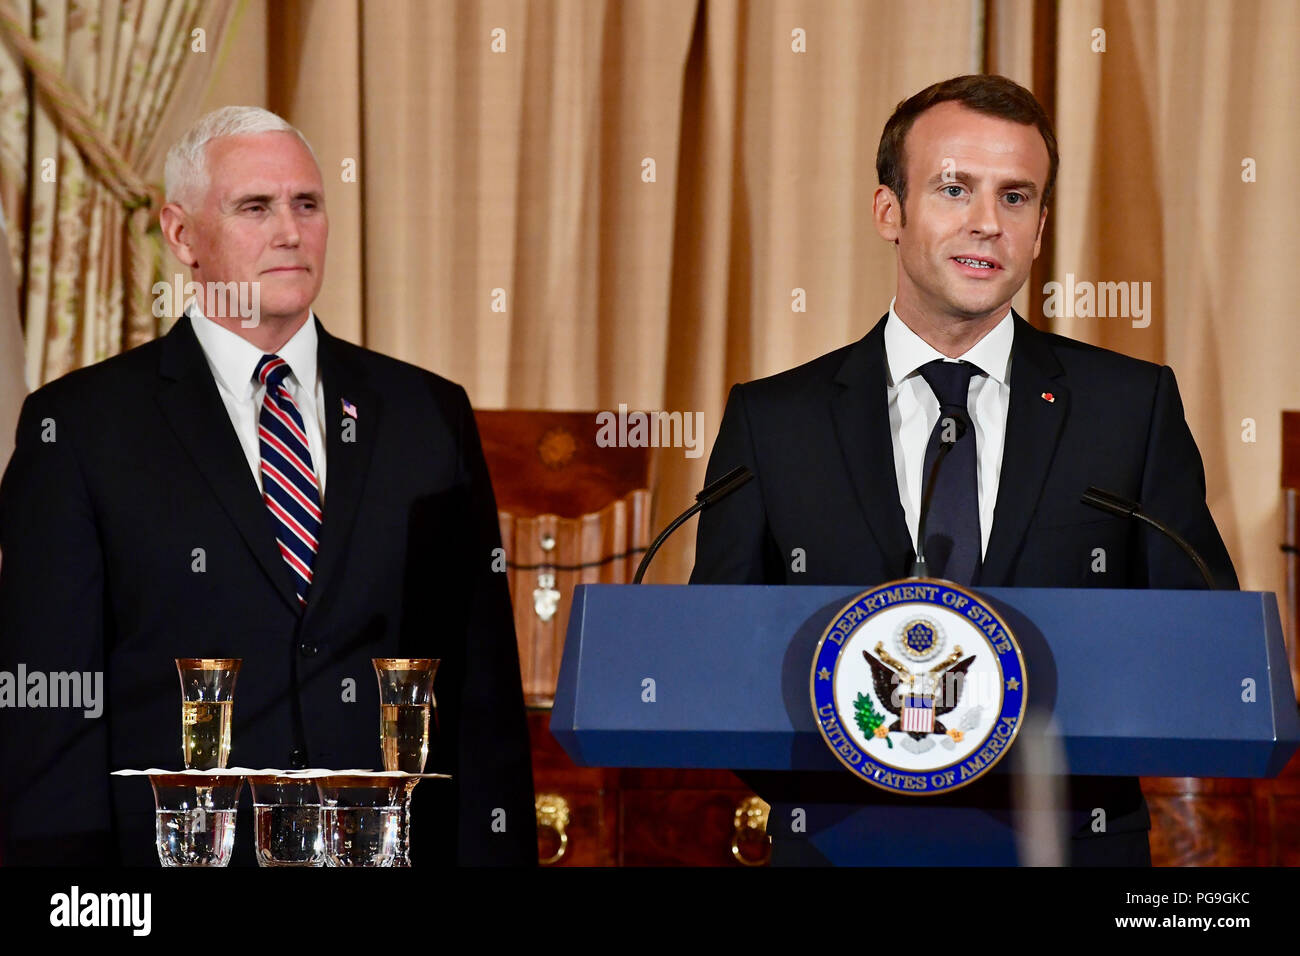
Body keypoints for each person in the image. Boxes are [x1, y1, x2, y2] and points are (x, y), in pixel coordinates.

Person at [690, 74, 1237, 865]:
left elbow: (1200, 641)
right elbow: (718, 656)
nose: (986, 223)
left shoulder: (1130, 406)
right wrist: (865, 777)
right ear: (890, 210)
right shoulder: (776, 420)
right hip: (846, 844)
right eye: (954, 189)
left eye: (1015, 198)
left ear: (1041, 228)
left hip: (1068, 841)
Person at [0, 106, 536, 866]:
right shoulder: (81, 427)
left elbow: (480, 691)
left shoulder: (427, 414)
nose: (290, 230)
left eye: (307, 204)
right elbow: (48, 707)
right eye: (256, 206)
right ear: (182, 236)